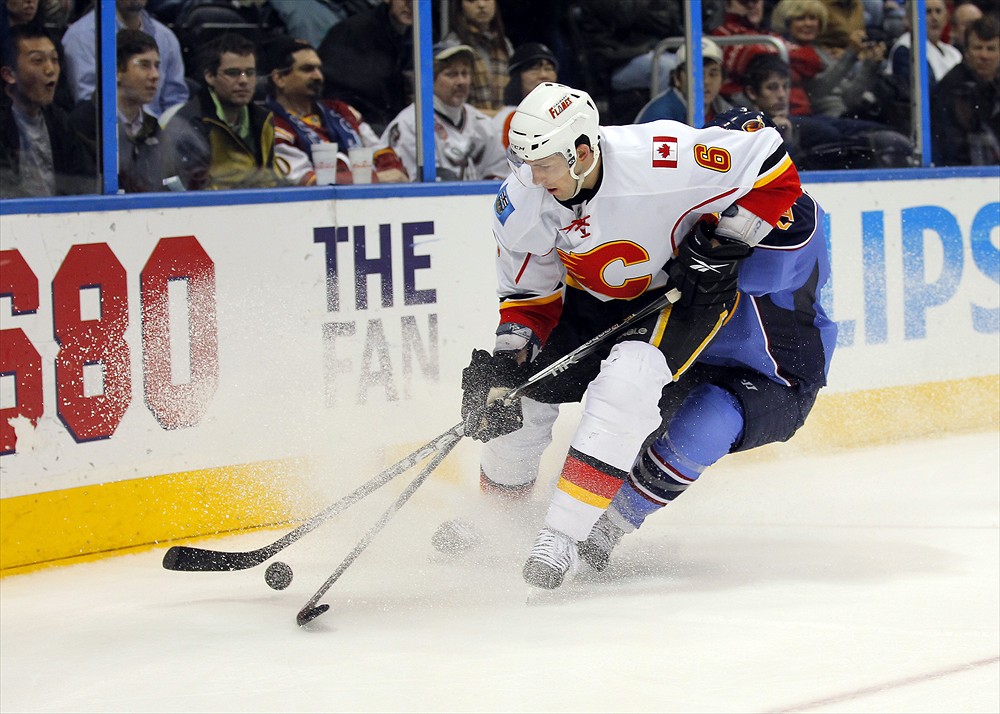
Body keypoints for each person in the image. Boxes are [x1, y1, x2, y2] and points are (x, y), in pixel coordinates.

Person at [455, 82, 803, 588]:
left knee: (626, 386)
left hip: (681, 295)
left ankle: (563, 538)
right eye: (524, 163)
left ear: (581, 151)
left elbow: (772, 164)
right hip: (590, 295)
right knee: (520, 398)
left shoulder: (664, 158)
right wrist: (508, 359)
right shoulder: (524, 196)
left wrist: (724, 243)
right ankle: (497, 521)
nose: (532, 177)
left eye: (544, 165)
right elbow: (529, 294)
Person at [576, 106, 837, 581]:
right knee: (614, 407)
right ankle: (557, 513)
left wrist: (693, 246)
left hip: (775, 373)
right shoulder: (689, 202)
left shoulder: (799, 214)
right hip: (688, 357)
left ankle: (605, 531)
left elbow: (755, 276)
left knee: (706, 423)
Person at [263, 36, 407, 186]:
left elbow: (381, 151)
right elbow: (306, 181)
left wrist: (393, 172)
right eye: (307, 69)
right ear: (279, 78)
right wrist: (377, 179)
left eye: (319, 69)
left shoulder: (341, 110)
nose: (318, 76)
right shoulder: (272, 127)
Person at [159, 32, 282, 190]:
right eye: (233, 73)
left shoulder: (263, 119)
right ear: (210, 76)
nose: (244, 80)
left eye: (250, 73)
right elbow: (187, 190)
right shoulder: (188, 124)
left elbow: (270, 178)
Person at [381, 40, 507, 181]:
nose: (461, 82)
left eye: (465, 73)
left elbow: (500, 174)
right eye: (451, 74)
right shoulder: (410, 124)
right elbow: (409, 184)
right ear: (430, 79)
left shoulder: (482, 123)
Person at [0, 23, 95, 197]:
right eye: (38, 60)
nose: (50, 69)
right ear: (9, 74)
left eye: (54, 59)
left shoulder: (59, 121)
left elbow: (84, 181)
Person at [70, 28, 166, 192]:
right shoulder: (85, 122)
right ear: (116, 71)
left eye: (156, 66)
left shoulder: (153, 127)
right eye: (144, 65)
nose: (155, 75)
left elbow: (165, 183)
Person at [61, 0, 187, 118]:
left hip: (160, 131)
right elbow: (91, 103)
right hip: (109, 128)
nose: (154, 75)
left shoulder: (165, 37)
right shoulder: (81, 37)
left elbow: (175, 101)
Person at [317, 0, 414, 136]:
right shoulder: (353, 32)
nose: (411, 6)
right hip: (356, 122)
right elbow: (336, 89)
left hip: (393, 121)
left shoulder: (421, 35)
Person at [931, 15, 1000, 166]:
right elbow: (951, 146)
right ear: (967, 51)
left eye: (991, 49)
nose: (984, 55)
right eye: (977, 48)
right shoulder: (952, 87)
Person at [634, 37, 734, 124]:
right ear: (677, 78)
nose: (706, 81)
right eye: (696, 74)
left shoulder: (725, 110)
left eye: (713, 74)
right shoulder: (659, 117)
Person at [442, 0, 514, 116]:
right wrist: (499, 115)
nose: (481, 5)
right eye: (472, 0)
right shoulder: (453, 46)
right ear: (460, 6)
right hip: (466, 121)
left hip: (503, 122)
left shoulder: (504, 45)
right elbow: (448, 102)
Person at [492, 41, 558, 149]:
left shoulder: (566, 111)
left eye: (549, 68)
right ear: (517, 77)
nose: (544, 75)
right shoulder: (507, 118)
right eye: (534, 69)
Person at [885, 0, 963, 91]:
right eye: (927, 12)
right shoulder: (906, 48)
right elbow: (926, 91)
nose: (934, 18)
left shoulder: (953, 52)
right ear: (911, 18)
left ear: (946, 17)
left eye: (938, 11)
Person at [711, 0, 781, 98]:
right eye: (744, 2)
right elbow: (757, 58)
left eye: (755, 1)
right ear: (728, 5)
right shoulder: (722, 33)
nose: (751, 6)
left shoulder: (768, 33)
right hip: (737, 100)